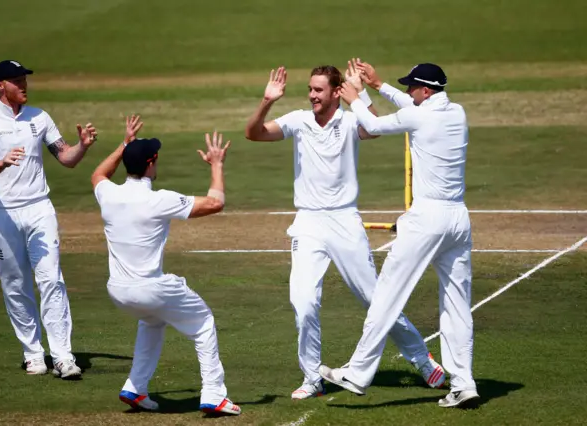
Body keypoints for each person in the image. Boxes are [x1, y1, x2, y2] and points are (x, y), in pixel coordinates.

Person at [244, 63, 446, 400]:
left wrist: (360, 94)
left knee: (374, 298)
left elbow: (375, 129)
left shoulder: (351, 119)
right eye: (310, 89)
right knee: (303, 302)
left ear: (336, 92)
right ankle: (312, 377)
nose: (311, 95)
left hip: (344, 222)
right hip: (308, 222)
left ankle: (422, 359)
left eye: (318, 90)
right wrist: (267, 101)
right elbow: (254, 133)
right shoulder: (298, 120)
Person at [319, 61, 479, 408]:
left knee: (387, 294)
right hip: (458, 220)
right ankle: (463, 383)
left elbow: (373, 124)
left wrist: (355, 97)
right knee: (457, 305)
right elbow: (412, 110)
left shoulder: (420, 115)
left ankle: (358, 373)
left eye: (411, 88)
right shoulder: (456, 112)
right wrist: (379, 85)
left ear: (425, 90)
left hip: (428, 219)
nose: (407, 92)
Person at [91, 115, 241, 415]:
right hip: (151, 288)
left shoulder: (108, 194)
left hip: (118, 291)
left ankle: (135, 388)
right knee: (203, 323)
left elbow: (98, 174)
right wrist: (216, 165)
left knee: (152, 320)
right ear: (151, 163)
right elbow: (215, 203)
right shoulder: (159, 200)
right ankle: (214, 394)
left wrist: (124, 144)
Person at [0, 60, 98, 378]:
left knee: (52, 280)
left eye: (24, 79)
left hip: (40, 208)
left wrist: (81, 147)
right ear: (0, 85)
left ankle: (63, 356)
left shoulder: (39, 117)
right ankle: (32, 353)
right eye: (16, 80)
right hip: (3, 215)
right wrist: (2, 163)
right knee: (15, 284)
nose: (23, 85)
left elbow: (65, 158)